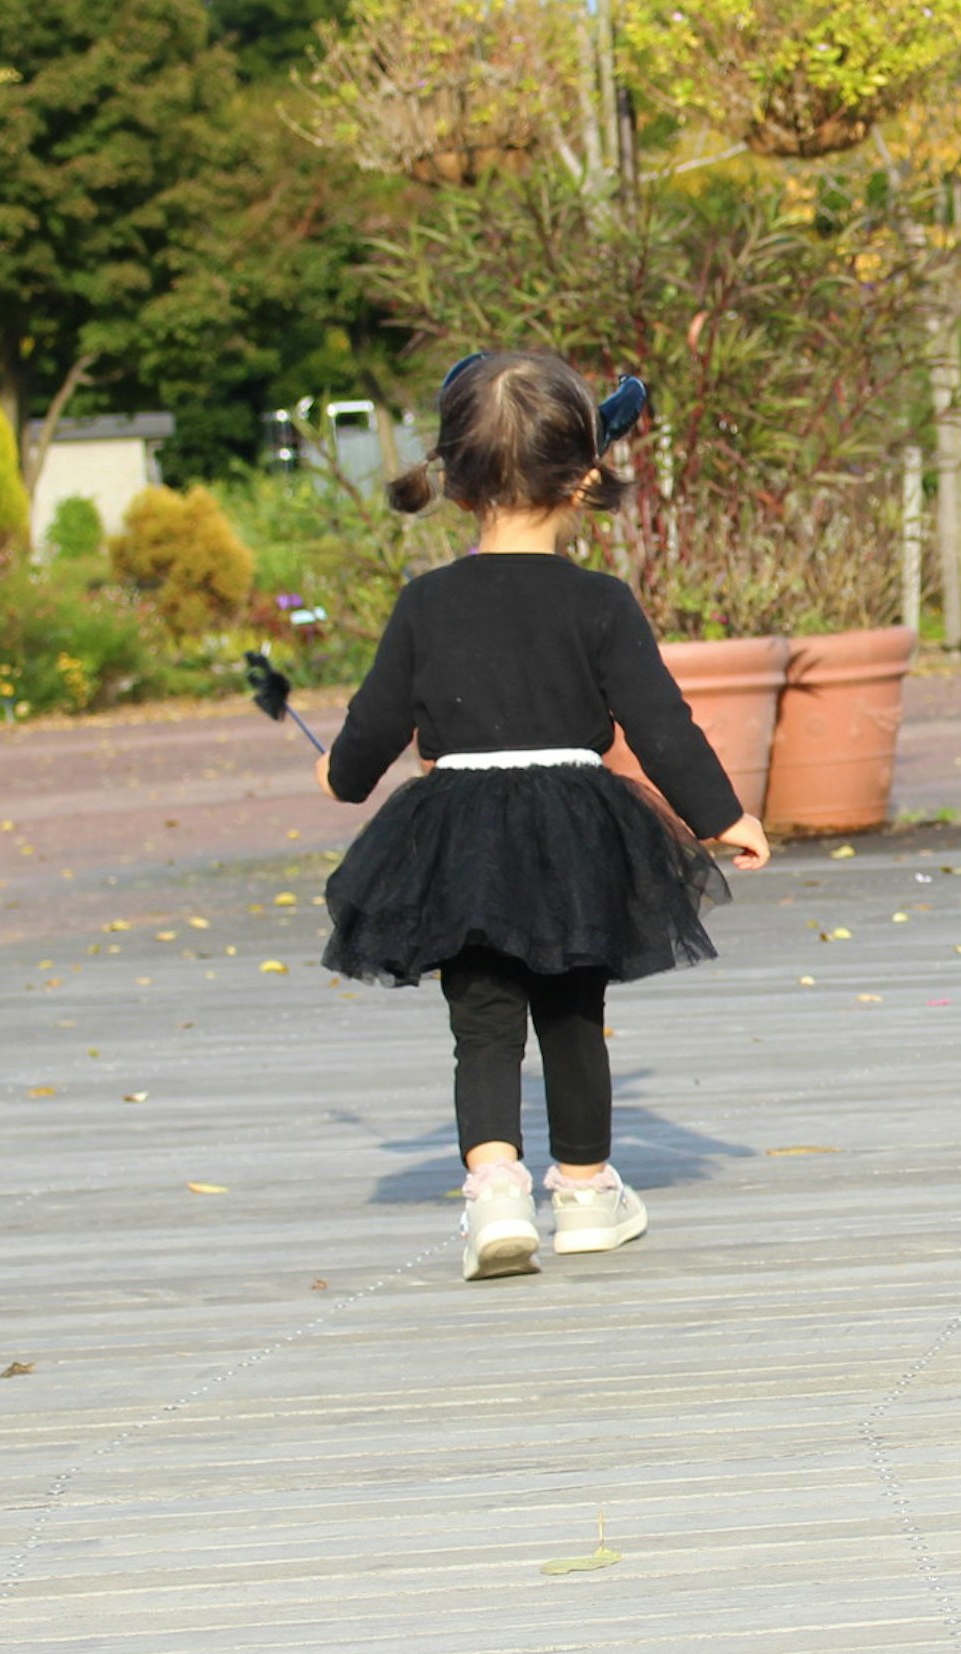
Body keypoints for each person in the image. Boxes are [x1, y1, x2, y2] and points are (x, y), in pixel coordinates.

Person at [316, 352, 771, 1280]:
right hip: (573, 824)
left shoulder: (426, 604)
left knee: (481, 1019)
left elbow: (369, 731)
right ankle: (588, 1191)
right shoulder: (598, 602)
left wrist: (342, 773)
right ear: (585, 475)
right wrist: (724, 815)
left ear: (451, 479)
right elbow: (660, 724)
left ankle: (493, 1193)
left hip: (459, 830)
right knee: (572, 1010)